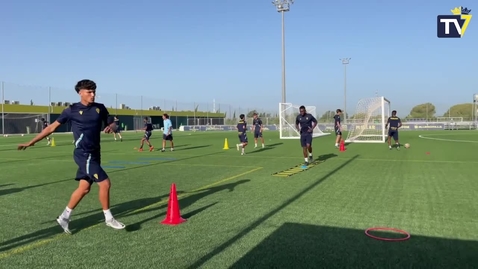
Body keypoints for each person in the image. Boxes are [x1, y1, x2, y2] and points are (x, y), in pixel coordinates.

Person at [17, 79, 126, 233]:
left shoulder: (100, 108)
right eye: (89, 92)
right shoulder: (71, 110)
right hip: (83, 153)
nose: (93, 94)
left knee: (84, 188)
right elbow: (51, 128)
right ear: (80, 93)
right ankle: (109, 218)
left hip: (95, 153)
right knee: (105, 183)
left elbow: (113, 123)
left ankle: (64, 217)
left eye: (94, 91)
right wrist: (31, 142)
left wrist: (112, 126)